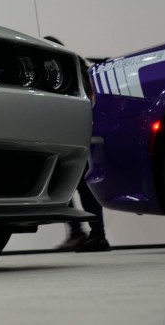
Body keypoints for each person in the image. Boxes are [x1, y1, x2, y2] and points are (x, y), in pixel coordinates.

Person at [42, 36, 111, 252]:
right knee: (64, 185)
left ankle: (97, 235)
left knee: (80, 185)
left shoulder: (70, 68)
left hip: (75, 136)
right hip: (68, 135)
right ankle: (81, 233)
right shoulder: (72, 66)